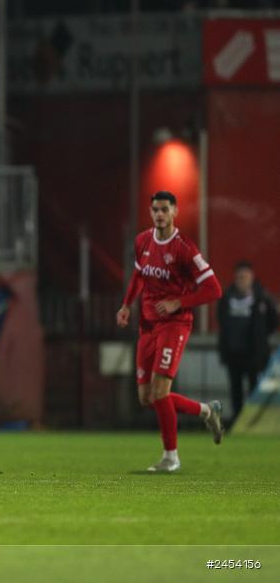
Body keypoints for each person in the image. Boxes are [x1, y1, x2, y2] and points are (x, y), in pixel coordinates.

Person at [117, 191, 224, 472]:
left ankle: (171, 457)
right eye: (155, 209)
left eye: (164, 209)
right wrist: (126, 305)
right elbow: (139, 275)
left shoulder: (185, 250)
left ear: (175, 211)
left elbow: (214, 289)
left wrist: (180, 302)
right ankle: (207, 411)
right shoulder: (142, 241)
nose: (159, 214)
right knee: (147, 397)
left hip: (175, 326)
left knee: (161, 391)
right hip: (148, 325)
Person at [217, 261, 279, 423]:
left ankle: (253, 421)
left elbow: (273, 321)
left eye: (245, 277)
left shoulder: (262, 298)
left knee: (254, 388)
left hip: (254, 354)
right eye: (239, 277)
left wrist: (261, 338)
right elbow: (221, 321)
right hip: (233, 352)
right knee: (235, 389)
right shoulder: (226, 298)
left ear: (252, 278)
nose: (242, 280)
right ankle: (237, 419)